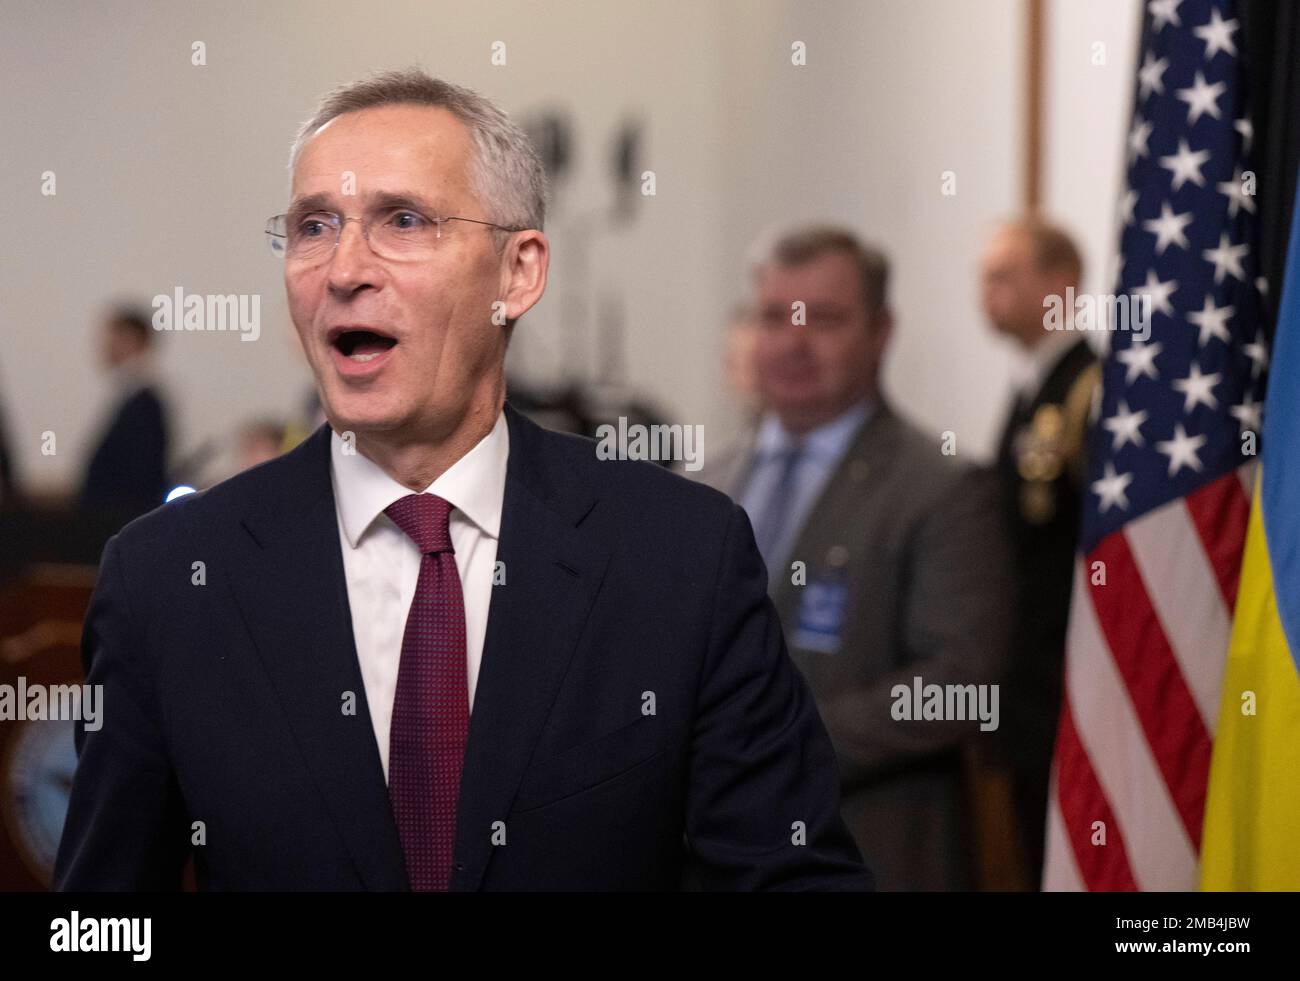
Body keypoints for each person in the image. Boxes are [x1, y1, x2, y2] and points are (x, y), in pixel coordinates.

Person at [53, 70, 872, 892]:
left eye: (402, 221)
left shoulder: (681, 556)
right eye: (313, 227)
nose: (344, 270)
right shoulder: (167, 581)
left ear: (517, 273)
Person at [699, 226, 1011, 890]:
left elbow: (961, 684)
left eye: (826, 319)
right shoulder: (700, 484)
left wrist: (774, 743)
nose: (794, 342)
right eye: (775, 317)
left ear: (881, 329)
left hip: (868, 851)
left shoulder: (944, 488)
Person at [979, 217, 1099, 886]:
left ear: (1061, 284)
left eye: (1004, 276)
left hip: (1066, 676)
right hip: (1027, 683)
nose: (986, 292)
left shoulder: (1088, 389)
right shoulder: (1033, 387)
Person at [77, 307, 170, 518]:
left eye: (113, 339)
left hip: (123, 518)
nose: (105, 347)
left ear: (132, 340)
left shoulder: (145, 404)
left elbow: (140, 473)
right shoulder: (128, 396)